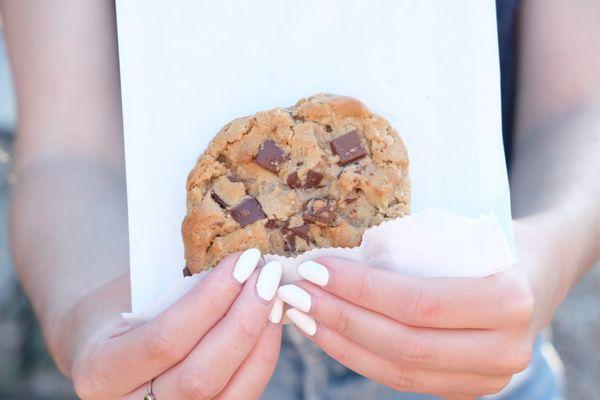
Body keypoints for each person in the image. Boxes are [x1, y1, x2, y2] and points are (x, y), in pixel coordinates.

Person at [2, 0, 599, 399]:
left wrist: (542, 260)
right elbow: (65, 151)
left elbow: (580, 107)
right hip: (176, 364)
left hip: (467, 350)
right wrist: (84, 315)